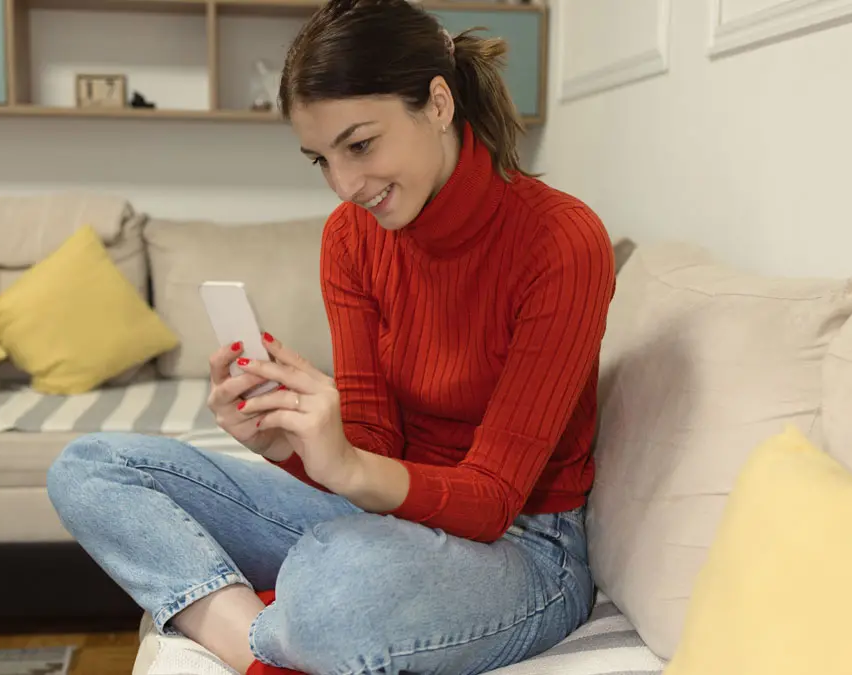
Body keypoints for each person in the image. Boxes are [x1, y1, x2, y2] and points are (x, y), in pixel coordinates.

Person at [46, 0, 616, 673]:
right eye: (320, 158)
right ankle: (260, 645)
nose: (344, 185)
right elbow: (371, 449)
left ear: (438, 104)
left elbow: (492, 500)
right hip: (385, 520)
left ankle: (280, 627)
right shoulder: (350, 238)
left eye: (361, 144)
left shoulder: (562, 240)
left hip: (523, 546)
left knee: (335, 579)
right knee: (91, 468)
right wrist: (285, 445)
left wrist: (345, 470)